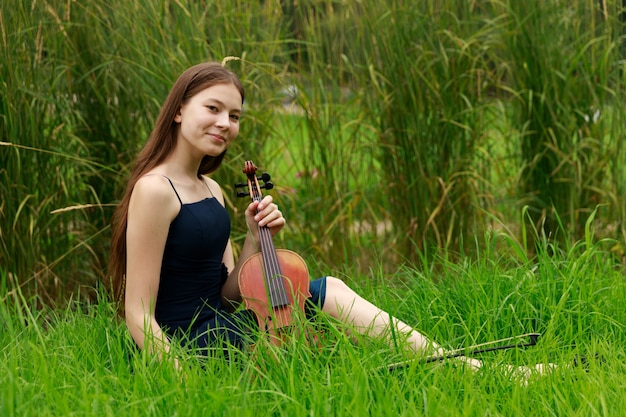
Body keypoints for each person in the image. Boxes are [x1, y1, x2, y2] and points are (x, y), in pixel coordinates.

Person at [108, 61, 551, 376]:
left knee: (322, 294)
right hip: (179, 345)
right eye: (213, 108)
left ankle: (474, 367)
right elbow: (138, 313)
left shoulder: (213, 189)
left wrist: (251, 236)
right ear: (180, 109)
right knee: (326, 294)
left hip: (218, 326)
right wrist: (183, 380)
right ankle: (484, 370)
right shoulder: (155, 189)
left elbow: (227, 292)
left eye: (235, 115)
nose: (226, 123)